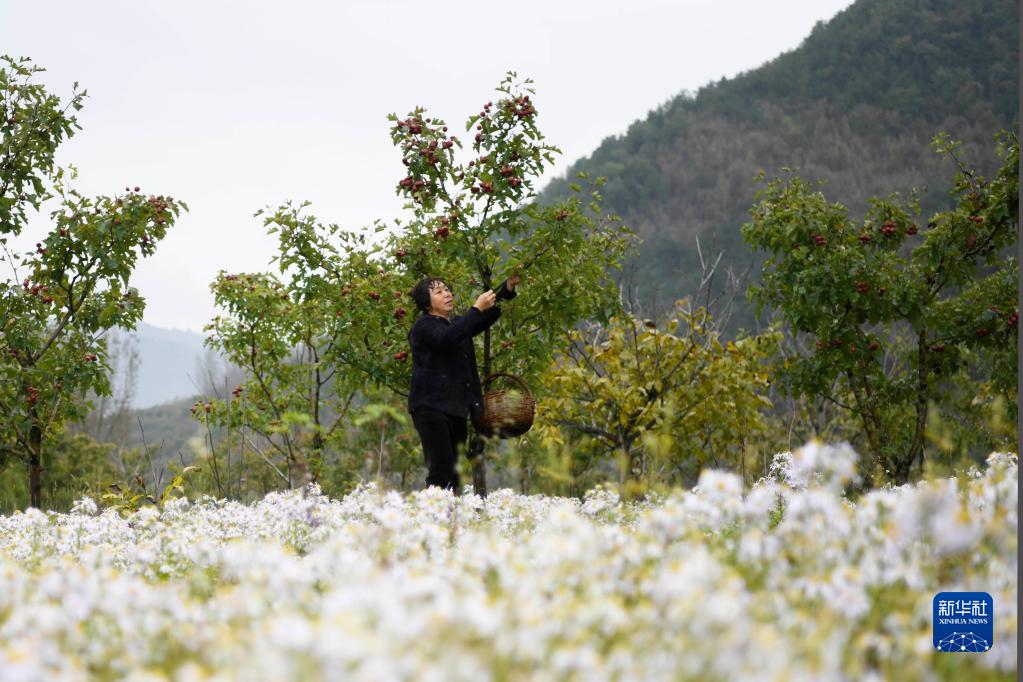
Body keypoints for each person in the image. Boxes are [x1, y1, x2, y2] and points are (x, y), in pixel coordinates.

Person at [407, 273, 520, 492]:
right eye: (439, 292)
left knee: (455, 474)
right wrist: (476, 309)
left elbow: (481, 318)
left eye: (447, 289)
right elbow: (447, 337)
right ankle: (432, 519)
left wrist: (506, 289)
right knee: (442, 470)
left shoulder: (456, 324)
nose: (447, 294)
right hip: (430, 408)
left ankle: (451, 521)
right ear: (427, 305)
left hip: (455, 409)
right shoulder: (423, 327)